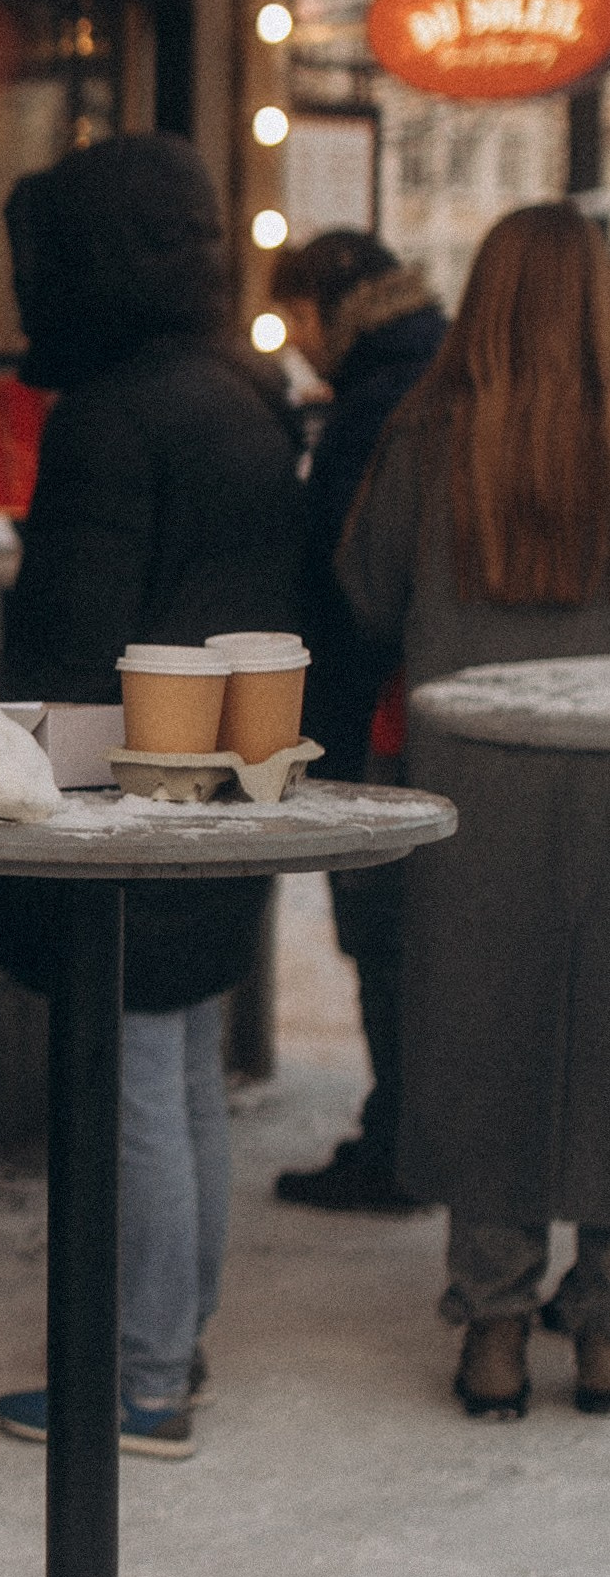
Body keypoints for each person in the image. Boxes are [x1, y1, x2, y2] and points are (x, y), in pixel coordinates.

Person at [0, 134, 307, 1454]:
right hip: (226, 769)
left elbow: (69, 627)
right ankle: (173, 1341)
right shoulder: (244, 389)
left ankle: (139, 1374)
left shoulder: (111, 413)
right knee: (180, 1079)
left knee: (130, 1091)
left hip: (120, 785)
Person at [335, 201, 610, 1418]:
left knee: (483, 1035)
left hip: (471, 785)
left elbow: (363, 589)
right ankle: (604, 1331)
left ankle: (492, 1326)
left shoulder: (427, 433)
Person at [267, 230, 445, 1214]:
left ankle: (400, 1140)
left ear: (327, 310)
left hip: (376, 709)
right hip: (409, 701)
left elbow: (354, 577)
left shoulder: (382, 401)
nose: (293, 346)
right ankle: (411, 1131)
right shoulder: (430, 368)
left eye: (294, 319)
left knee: (383, 936)